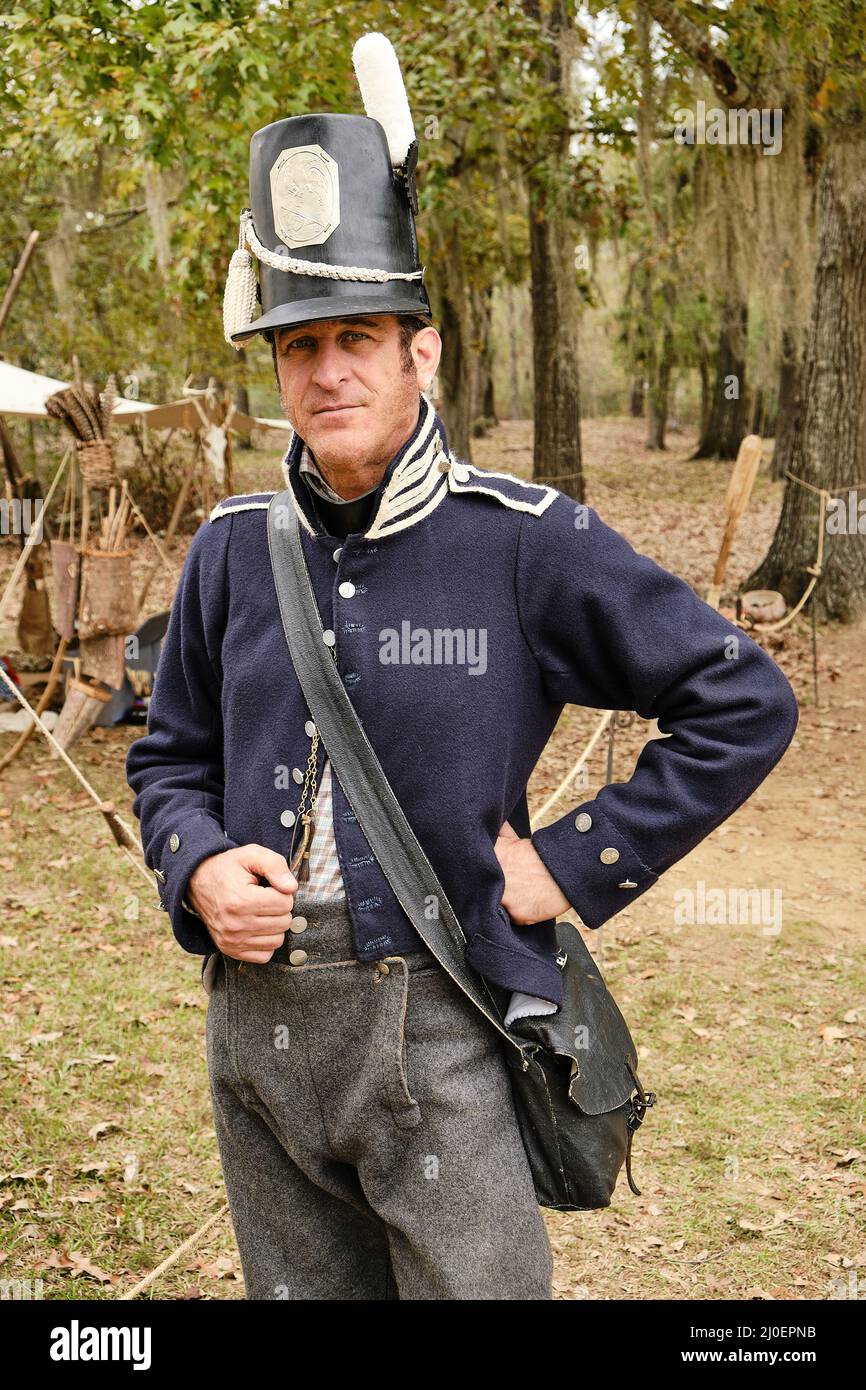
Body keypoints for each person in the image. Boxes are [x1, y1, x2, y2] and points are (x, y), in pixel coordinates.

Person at [126, 37, 798, 1300]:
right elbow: (167, 757)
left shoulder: (524, 543)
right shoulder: (226, 552)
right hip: (255, 1031)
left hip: (437, 1021)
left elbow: (741, 700)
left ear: (419, 353)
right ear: (273, 365)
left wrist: (569, 861)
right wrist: (198, 863)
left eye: (357, 339)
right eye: (297, 346)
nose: (326, 371)